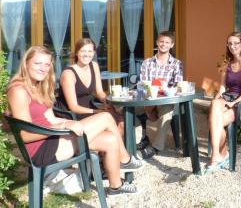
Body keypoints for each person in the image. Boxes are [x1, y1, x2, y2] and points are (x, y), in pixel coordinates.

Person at [7, 46, 143, 196]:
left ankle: (115, 187)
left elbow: (51, 118)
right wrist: (64, 125)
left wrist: (67, 124)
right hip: (41, 149)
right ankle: (125, 159)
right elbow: (25, 135)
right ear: (26, 64)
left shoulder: (38, 86)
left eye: (47, 64)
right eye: (37, 63)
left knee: (110, 139)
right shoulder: (18, 90)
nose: (43, 68)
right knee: (105, 117)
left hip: (52, 137)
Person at [207, 32, 241, 173]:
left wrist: (235, 102)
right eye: (229, 43)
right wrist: (217, 98)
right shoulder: (227, 64)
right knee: (215, 106)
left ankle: (220, 154)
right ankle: (217, 155)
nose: (232, 46)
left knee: (214, 121)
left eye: (236, 43)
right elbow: (223, 87)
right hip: (228, 99)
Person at [57, 38, 123, 133]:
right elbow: (73, 107)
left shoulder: (94, 65)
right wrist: (98, 111)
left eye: (90, 51)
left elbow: (99, 92)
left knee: (121, 122)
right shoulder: (68, 74)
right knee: (111, 123)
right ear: (76, 53)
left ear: (94, 52)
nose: (86, 54)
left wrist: (109, 103)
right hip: (72, 115)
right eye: (83, 51)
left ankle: (115, 147)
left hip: (90, 108)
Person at [138, 31, 183, 158]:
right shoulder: (147, 63)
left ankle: (156, 147)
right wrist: (149, 101)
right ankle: (140, 139)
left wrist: (162, 89)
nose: (164, 44)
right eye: (161, 41)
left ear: (172, 45)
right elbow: (143, 84)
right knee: (131, 109)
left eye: (167, 42)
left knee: (168, 110)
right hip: (148, 99)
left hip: (166, 100)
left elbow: (177, 85)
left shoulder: (177, 64)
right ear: (157, 43)